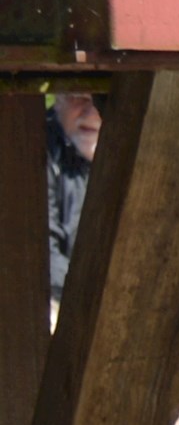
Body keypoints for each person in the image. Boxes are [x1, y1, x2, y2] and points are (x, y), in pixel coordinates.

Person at [45, 92, 95, 298]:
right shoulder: (34, 147)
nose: (92, 113)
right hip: (59, 296)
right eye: (79, 97)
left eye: (103, 99)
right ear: (58, 99)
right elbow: (43, 254)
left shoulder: (144, 145)